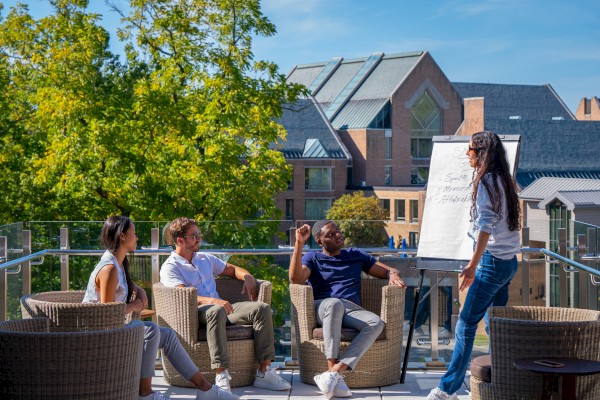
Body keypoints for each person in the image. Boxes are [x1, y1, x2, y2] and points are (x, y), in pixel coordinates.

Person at [83, 215, 239, 400]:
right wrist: (133, 306)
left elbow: (118, 291)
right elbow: (106, 316)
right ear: (122, 236)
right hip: (96, 337)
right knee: (151, 331)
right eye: (133, 233)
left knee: (167, 335)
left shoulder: (118, 263)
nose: (137, 237)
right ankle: (145, 393)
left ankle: (205, 389)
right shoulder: (109, 268)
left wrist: (138, 289)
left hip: (111, 330)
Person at [427, 131, 521, 400]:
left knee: (466, 325)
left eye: (469, 151)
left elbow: (485, 226)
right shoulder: (506, 179)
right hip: (508, 263)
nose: (467, 155)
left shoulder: (487, 181)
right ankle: (496, 382)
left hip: (492, 265)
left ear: (481, 153)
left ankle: (447, 390)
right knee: (494, 325)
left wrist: (471, 265)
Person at [159, 217, 291, 394]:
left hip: (222, 308)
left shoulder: (205, 258)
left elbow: (232, 269)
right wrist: (213, 301)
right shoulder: (170, 267)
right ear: (180, 240)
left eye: (199, 234)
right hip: (195, 313)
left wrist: (248, 277)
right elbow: (183, 295)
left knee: (262, 309)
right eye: (194, 235)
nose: (199, 238)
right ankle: (221, 375)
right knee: (215, 311)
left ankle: (264, 372)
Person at [289, 220, 406, 399]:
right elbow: (296, 278)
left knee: (375, 323)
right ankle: (331, 370)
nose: (337, 235)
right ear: (320, 241)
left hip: (351, 308)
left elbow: (385, 271)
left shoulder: (355, 254)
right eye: (330, 234)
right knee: (334, 304)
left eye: (337, 231)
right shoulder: (313, 257)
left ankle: (334, 373)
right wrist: (299, 242)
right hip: (324, 307)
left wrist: (393, 273)